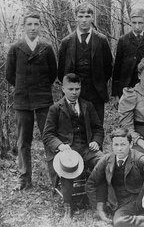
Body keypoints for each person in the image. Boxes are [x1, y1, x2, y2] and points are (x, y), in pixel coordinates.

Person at [5, 12, 57, 190]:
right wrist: (23, 87)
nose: (33, 27)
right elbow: (10, 75)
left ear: (40, 26)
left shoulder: (46, 48)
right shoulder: (15, 48)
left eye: (36, 24)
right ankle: (24, 179)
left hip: (43, 99)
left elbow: (53, 73)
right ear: (24, 26)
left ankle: (55, 179)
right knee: (23, 141)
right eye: (29, 24)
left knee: (49, 138)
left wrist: (40, 87)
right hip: (22, 99)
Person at [43, 73, 104, 219]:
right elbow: (47, 135)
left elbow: (98, 128)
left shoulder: (87, 105)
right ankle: (68, 206)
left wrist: (96, 141)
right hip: (67, 151)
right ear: (63, 89)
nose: (74, 92)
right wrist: (60, 146)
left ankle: (100, 202)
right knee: (68, 166)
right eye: (70, 89)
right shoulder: (55, 109)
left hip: (87, 149)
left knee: (105, 162)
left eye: (77, 89)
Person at [86, 128, 144, 227]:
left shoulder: (137, 157)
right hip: (121, 205)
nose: (119, 149)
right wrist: (99, 208)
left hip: (141, 199)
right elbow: (91, 183)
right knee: (120, 223)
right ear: (111, 146)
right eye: (116, 145)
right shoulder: (106, 160)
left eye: (123, 144)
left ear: (130, 145)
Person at [58, 2, 113, 124]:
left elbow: (108, 68)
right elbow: (61, 71)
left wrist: (98, 82)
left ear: (92, 18)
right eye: (81, 16)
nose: (84, 20)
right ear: (76, 17)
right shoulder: (66, 42)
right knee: (76, 129)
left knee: (96, 127)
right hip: (74, 94)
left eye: (87, 16)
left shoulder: (101, 40)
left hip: (96, 93)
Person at [112, 8, 144, 98]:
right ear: (130, 22)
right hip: (128, 87)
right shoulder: (123, 40)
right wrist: (116, 93)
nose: (137, 26)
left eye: (140, 23)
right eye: (134, 23)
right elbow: (117, 68)